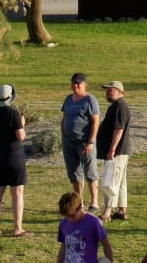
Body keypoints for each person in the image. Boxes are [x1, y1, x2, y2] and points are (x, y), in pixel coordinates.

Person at [0, 83, 28, 237]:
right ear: (11, 97)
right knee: (17, 193)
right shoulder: (13, 114)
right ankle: (18, 228)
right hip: (14, 157)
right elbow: (20, 137)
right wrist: (22, 124)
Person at [62, 73, 101, 212]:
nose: (75, 86)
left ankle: (94, 202)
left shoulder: (90, 100)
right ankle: (79, 203)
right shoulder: (68, 99)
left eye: (78, 83)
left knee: (90, 171)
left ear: (85, 84)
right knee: (74, 173)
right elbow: (64, 117)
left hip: (84, 142)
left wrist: (90, 142)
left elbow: (95, 121)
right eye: (73, 83)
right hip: (69, 141)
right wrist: (63, 135)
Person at [97, 81, 133, 223]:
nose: (108, 92)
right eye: (107, 90)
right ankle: (122, 210)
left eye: (112, 90)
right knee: (120, 181)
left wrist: (112, 149)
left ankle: (107, 212)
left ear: (120, 92)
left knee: (111, 181)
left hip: (117, 152)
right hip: (120, 151)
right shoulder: (117, 106)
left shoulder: (120, 106)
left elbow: (119, 129)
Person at [57, 191, 113, 263]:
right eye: (67, 216)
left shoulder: (93, 222)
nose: (70, 219)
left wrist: (110, 260)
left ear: (80, 207)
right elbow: (64, 246)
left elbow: (106, 245)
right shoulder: (63, 223)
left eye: (72, 216)